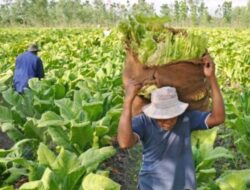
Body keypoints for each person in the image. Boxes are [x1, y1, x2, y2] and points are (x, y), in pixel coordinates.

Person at [117, 54, 225, 190]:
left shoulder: (186, 118)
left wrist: (211, 78)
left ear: (178, 111)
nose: (166, 120)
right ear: (153, 112)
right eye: (161, 117)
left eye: (171, 115)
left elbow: (218, 118)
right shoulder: (144, 121)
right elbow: (124, 142)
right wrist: (128, 102)